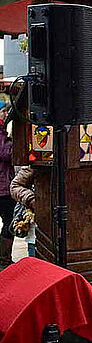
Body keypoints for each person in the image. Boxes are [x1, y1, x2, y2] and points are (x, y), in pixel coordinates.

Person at [0, 101, 14, 269]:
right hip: (3, 186)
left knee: (8, 221)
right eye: (2, 111)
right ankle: (3, 259)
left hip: (5, 183)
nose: (4, 114)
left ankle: (4, 258)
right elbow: (6, 153)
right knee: (9, 221)